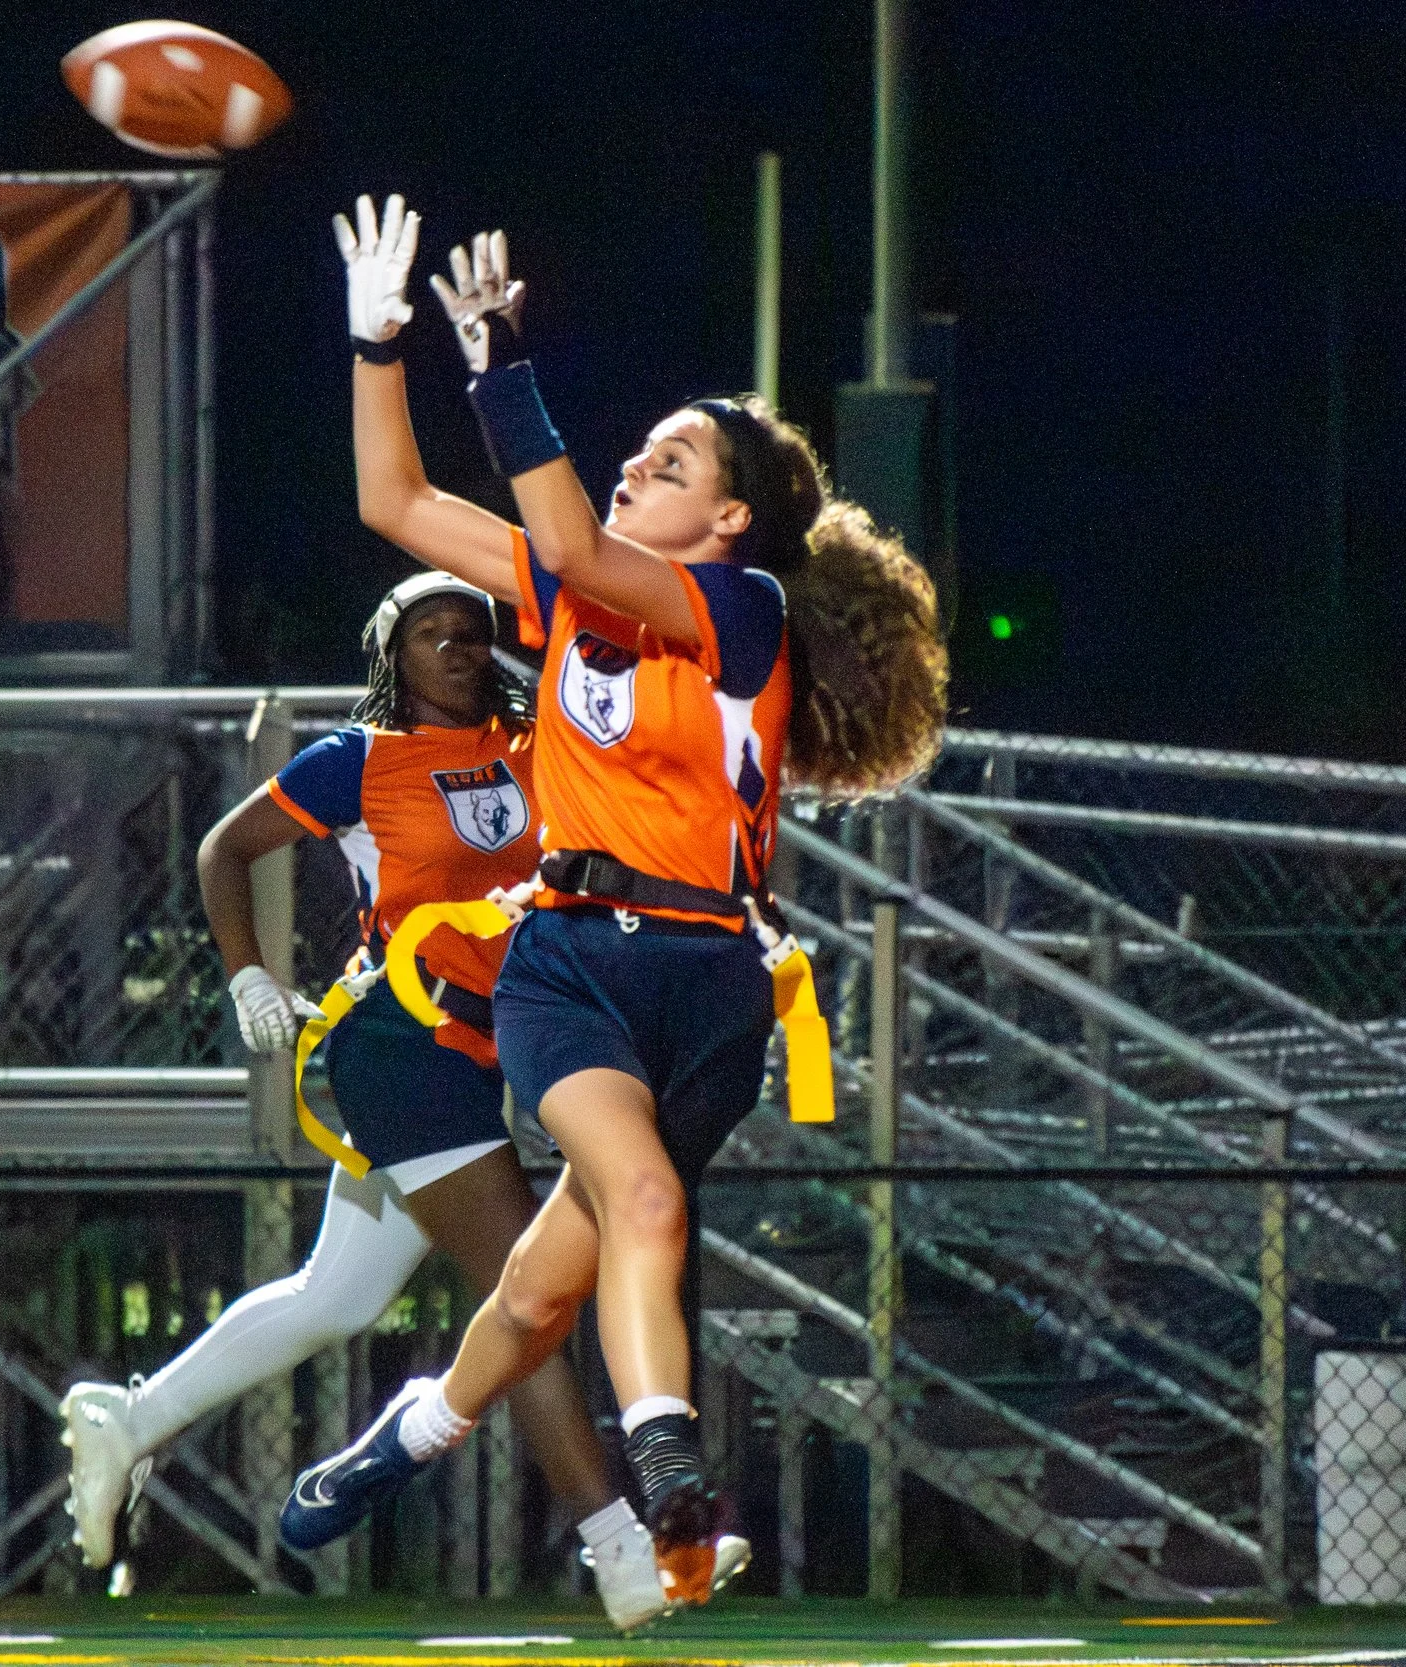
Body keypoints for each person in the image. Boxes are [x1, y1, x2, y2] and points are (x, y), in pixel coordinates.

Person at [281, 199, 947, 1625]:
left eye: (677, 455)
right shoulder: (572, 585)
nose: (646, 457)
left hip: (706, 983)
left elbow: (578, 542)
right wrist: (376, 339)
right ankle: (673, 1477)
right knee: (642, 1200)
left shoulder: (744, 605)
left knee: (538, 1296)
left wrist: (502, 367)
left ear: (730, 517)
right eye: (641, 446)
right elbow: (392, 502)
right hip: (572, 958)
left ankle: (415, 1429)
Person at [57, 572, 622, 1577]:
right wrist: (246, 976)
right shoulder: (362, 758)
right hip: (407, 1045)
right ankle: (620, 1547)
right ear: (389, 656)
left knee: (337, 1294)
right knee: (520, 1292)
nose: (455, 647)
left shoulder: (537, 749)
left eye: (472, 633)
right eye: (429, 633)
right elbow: (223, 849)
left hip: (492, 1046)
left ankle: (128, 1419)